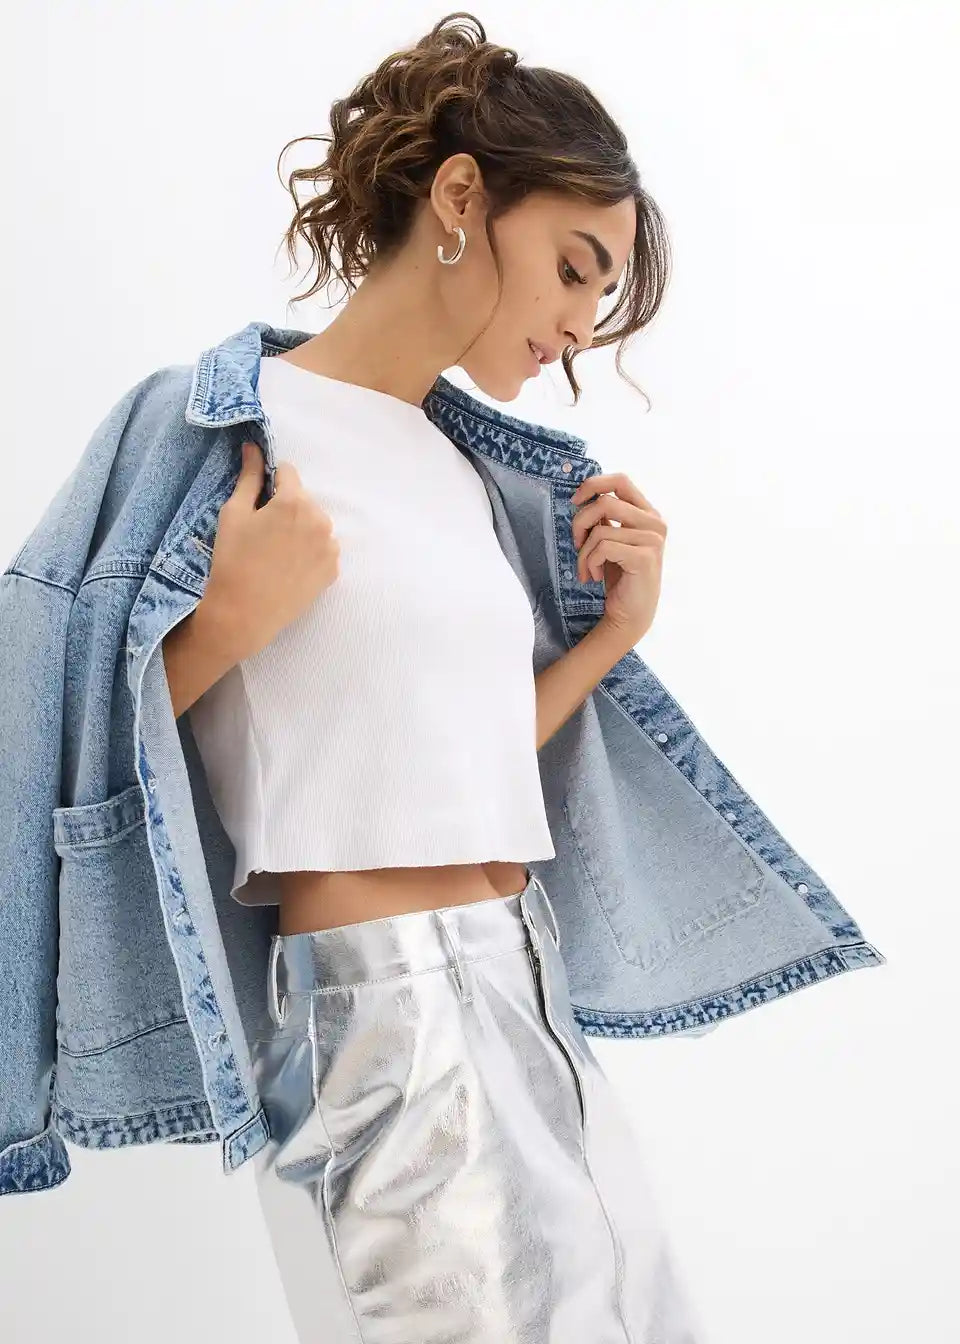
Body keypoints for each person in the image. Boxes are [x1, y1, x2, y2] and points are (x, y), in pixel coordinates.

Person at [165, 12, 706, 1342]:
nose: (578, 326)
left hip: (528, 983)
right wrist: (219, 627)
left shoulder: (463, 464)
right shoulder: (235, 428)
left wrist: (608, 641)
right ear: (462, 197)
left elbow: (456, 759)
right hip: (382, 1017)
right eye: (574, 270)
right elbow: (62, 736)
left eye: (600, 300)